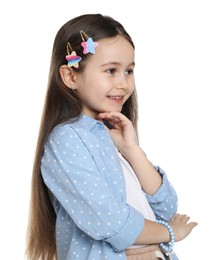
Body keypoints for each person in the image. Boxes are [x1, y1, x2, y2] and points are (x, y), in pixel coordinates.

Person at [26, 14, 197, 260]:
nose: (123, 83)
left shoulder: (113, 136)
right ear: (71, 76)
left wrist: (132, 150)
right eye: (111, 70)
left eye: (128, 71)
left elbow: (166, 207)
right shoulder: (67, 140)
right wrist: (171, 232)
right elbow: (108, 222)